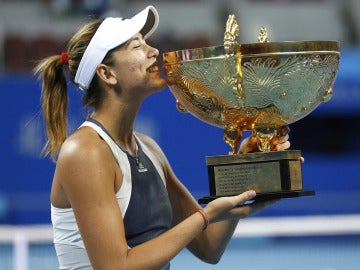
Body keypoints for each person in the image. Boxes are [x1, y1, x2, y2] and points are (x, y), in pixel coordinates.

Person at [34, 5, 290, 270]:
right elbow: (115, 266)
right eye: (136, 46)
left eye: (146, 42)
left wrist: (245, 173)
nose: (153, 51)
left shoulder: (149, 150)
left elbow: (209, 245)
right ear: (106, 74)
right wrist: (206, 216)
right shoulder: (84, 152)